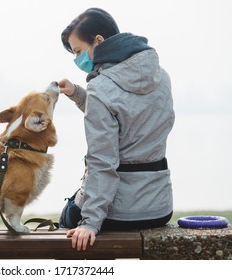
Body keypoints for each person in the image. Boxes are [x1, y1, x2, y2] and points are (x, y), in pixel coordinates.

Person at [58, 8, 175, 251]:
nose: (77, 60)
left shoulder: (101, 88)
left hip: (120, 212)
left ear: (98, 41)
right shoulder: (162, 77)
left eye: (78, 51)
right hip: (159, 207)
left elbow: (102, 161)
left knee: (67, 217)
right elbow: (128, 115)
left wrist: (89, 222)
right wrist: (78, 93)